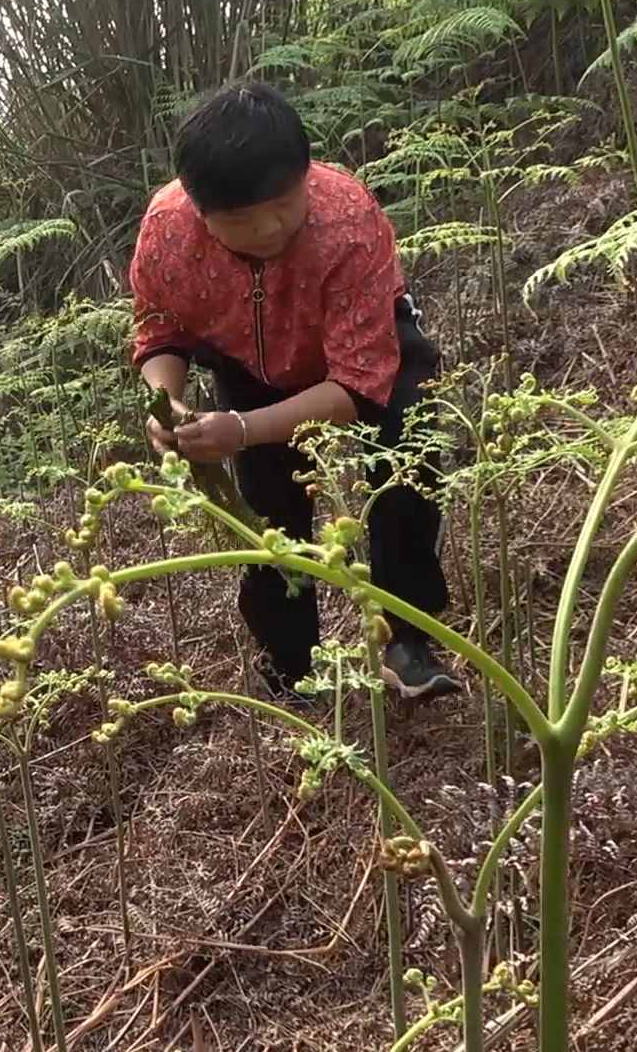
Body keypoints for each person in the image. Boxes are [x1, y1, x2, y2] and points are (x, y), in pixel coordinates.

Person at [130, 79, 462, 704]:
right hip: (248, 361)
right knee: (267, 510)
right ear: (201, 212)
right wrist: (166, 403)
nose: (269, 227)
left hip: (366, 346)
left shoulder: (347, 219)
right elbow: (160, 326)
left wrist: (246, 426)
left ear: (306, 174)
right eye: (240, 220)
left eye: (285, 202)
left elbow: (360, 385)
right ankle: (291, 672)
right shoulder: (169, 230)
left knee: (405, 462)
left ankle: (407, 641)